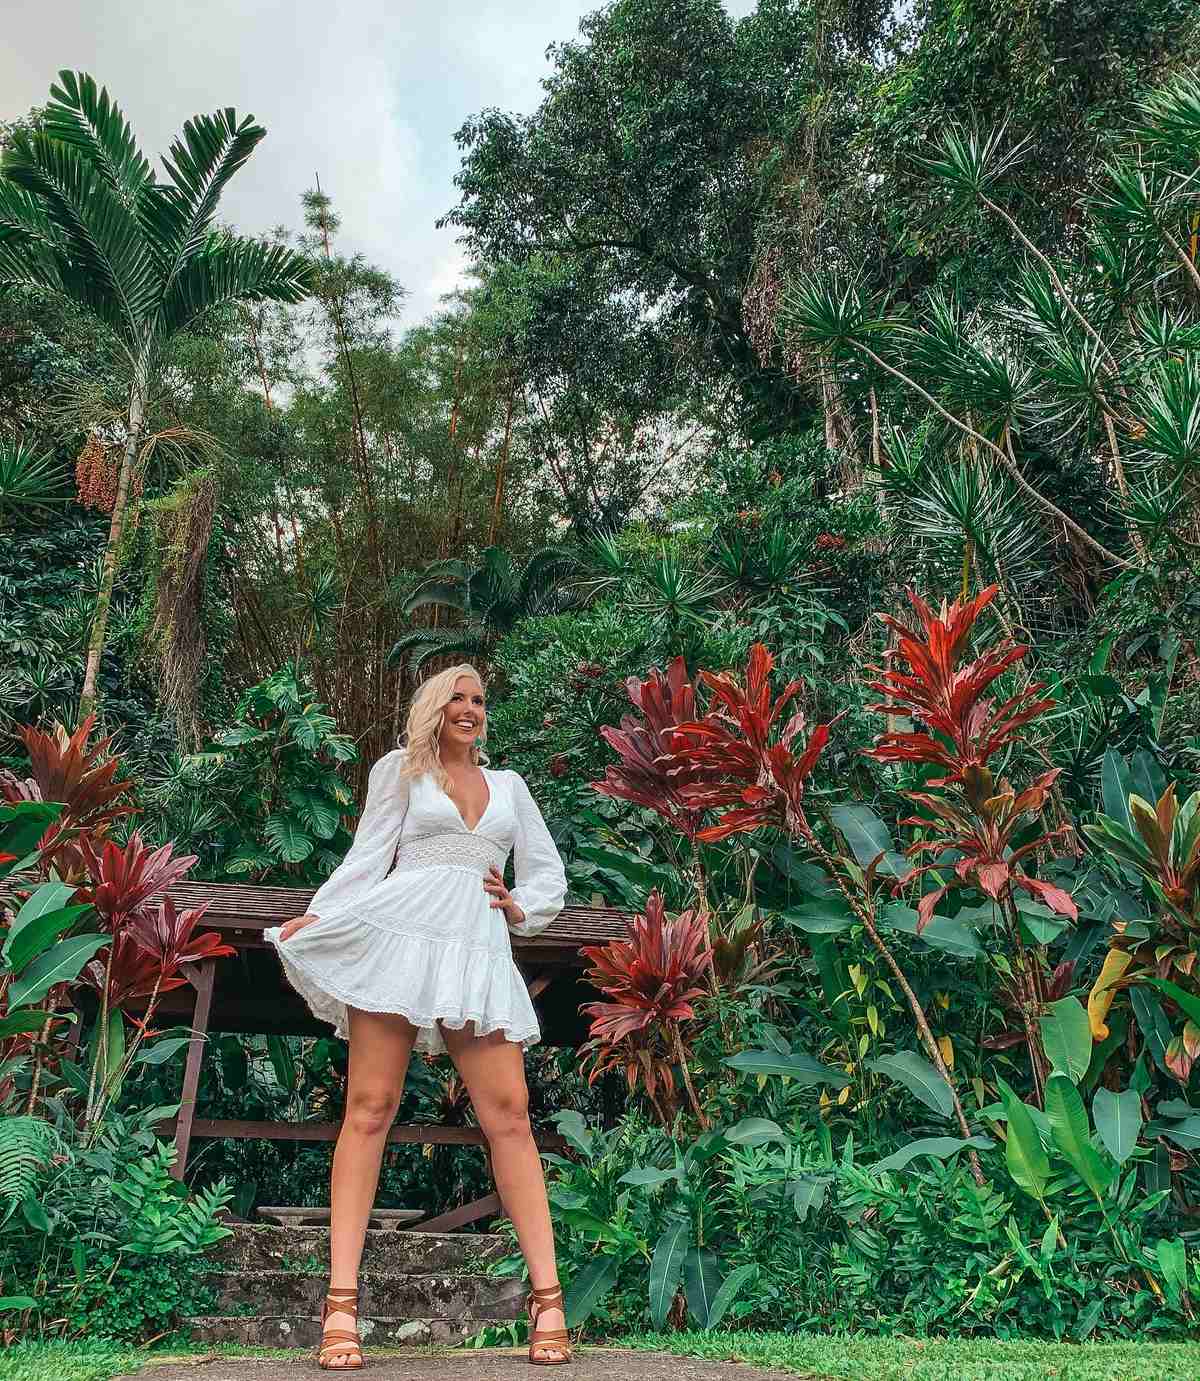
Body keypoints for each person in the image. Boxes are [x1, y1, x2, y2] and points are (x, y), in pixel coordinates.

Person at [265, 664, 572, 1369]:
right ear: (433, 708)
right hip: (398, 943)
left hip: (475, 951)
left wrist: (522, 905)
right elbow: (366, 860)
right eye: (457, 698)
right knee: (370, 1106)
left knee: (511, 1114)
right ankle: (341, 1305)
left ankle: (548, 1297)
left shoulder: (512, 788)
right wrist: (322, 913)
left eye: (479, 701)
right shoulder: (400, 770)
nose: (470, 710)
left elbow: (548, 870)